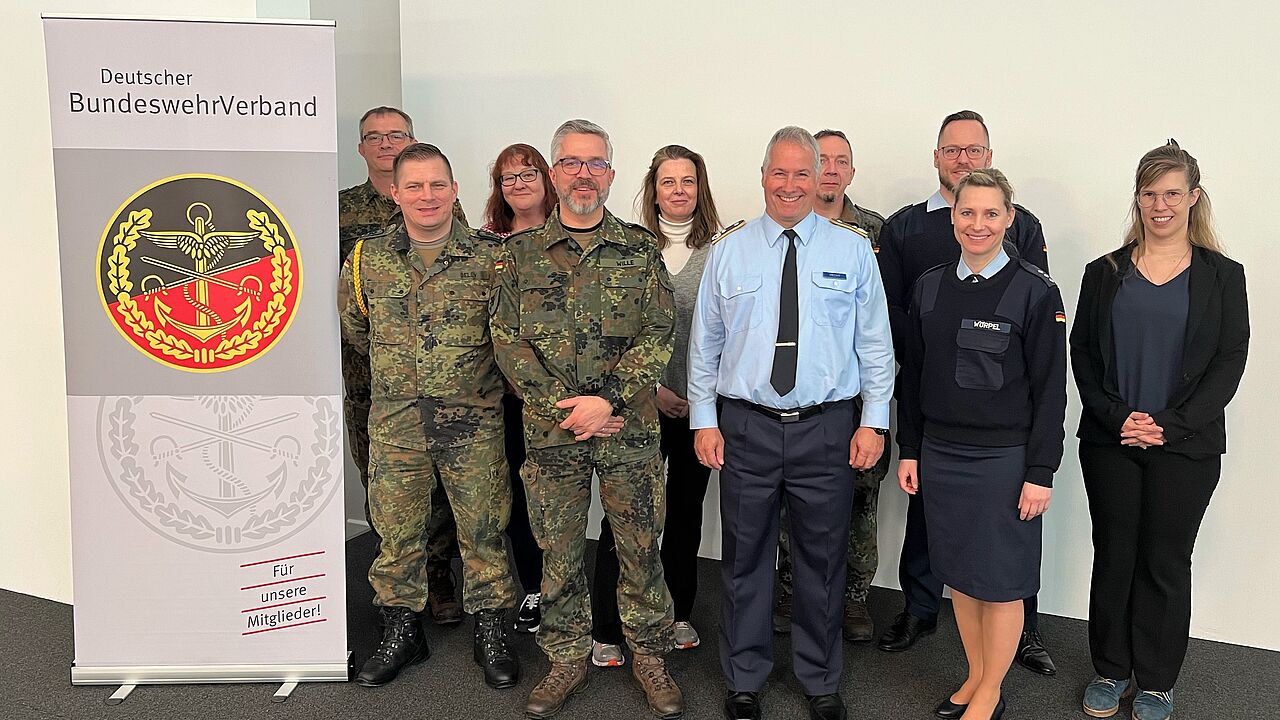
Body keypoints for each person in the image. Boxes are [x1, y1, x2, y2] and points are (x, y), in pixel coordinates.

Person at [688, 126, 895, 720]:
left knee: (822, 559)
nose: (789, 184)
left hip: (826, 427)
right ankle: (744, 676)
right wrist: (705, 419)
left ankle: (820, 676)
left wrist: (873, 422)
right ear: (762, 177)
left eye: (801, 173)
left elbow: (875, 345)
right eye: (778, 173)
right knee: (744, 556)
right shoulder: (730, 250)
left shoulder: (851, 249)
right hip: (746, 425)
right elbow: (706, 343)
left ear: (820, 177)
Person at [491, 119, 684, 720]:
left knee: (640, 546)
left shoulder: (639, 247)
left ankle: (649, 655)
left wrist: (611, 401)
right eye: (572, 162)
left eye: (595, 163)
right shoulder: (518, 256)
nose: (584, 173)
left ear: (611, 174)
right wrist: (565, 408)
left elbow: (659, 331)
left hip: (628, 431)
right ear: (554, 173)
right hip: (553, 435)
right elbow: (506, 341)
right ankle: (566, 658)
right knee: (560, 551)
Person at [876, 110, 1057, 676]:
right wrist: (910, 446)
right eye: (967, 212)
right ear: (951, 217)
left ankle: (991, 687)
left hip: (1004, 458)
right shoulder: (928, 284)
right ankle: (976, 678)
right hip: (941, 449)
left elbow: (1050, 386)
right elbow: (915, 364)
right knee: (961, 576)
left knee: (999, 578)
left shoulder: (1034, 289)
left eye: (990, 213)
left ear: (1009, 219)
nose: (978, 223)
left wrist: (1040, 470)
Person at [1072, 141, 1249, 720]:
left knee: (1165, 562)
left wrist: (1168, 427)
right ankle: (1110, 669)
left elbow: (1228, 363)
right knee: (1115, 555)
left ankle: (1155, 681)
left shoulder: (1224, 277)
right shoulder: (1104, 273)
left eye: (1172, 192)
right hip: (1111, 440)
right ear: (1137, 199)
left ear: (1193, 197)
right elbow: (1083, 358)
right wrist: (1120, 417)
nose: (1160, 204)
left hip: (1187, 446)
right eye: (1149, 193)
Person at [339, 143, 519, 690]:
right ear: (394, 193)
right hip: (396, 425)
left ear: (455, 190)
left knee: (484, 531)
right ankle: (402, 633)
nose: (427, 196)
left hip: (473, 422)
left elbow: (511, 337)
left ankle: (492, 631)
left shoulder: (492, 258)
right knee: (396, 534)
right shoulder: (368, 258)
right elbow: (356, 328)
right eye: (414, 186)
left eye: (438, 185)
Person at [592, 144, 723, 663]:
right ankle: (607, 625)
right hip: (639, 405)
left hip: (701, 410)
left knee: (686, 511)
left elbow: (731, 334)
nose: (678, 190)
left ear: (700, 187)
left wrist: (701, 398)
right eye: (668, 181)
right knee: (625, 514)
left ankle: (677, 613)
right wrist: (651, 390)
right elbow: (609, 334)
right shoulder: (626, 247)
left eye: (687, 181)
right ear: (653, 188)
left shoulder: (722, 250)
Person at [338, 106, 467, 625]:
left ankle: (437, 579)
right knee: (385, 486)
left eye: (397, 135)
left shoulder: (444, 212)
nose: (386, 143)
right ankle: (397, 596)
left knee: (440, 487)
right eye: (375, 136)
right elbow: (351, 311)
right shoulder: (338, 210)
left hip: (443, 386)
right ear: (362, 148)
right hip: (373, 382)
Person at [773, 129, 889, 644]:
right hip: (798, 403)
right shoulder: (775, 231)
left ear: (851, 171)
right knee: (789, 505)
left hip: (859, 399)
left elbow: (885, 323)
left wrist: (877, 411)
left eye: (844, 161)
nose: (833, 170)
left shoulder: (875, 234)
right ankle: (790, 587)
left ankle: (854, 597)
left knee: (859, 503)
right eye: (826, 161)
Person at [480, 142, 558, 636]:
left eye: (529, 173)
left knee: (562, 499)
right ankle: (534, 588)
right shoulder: (485, 244)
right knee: (520, 497)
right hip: (508, 396)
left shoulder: (568, 234)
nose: (519, 184)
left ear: (547, 179)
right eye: (508, 178)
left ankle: (569, 587)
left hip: (564, 393)